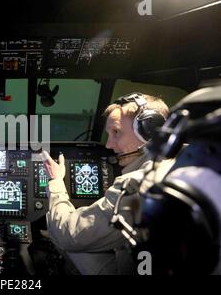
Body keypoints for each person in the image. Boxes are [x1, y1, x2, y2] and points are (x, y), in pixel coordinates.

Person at [42, 92, 171, 274]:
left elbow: (69, 234)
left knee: (60, 235)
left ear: (150, 131)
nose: (109, 145)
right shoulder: (186, 162)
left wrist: (56, 183)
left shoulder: (136, 184)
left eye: (116, 132)